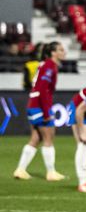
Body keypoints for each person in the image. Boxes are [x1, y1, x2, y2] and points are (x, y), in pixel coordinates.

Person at [13, 42, 67, 182]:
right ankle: (51, 172)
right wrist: (47, 112)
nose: (64, 52)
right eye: (60, 49)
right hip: (39, 106)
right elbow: (43, 89)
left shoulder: (44, 65)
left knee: (36, 138)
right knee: (49, 137)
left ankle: (20, 170)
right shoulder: (50, 66)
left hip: (33, 105)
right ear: (53, 53)